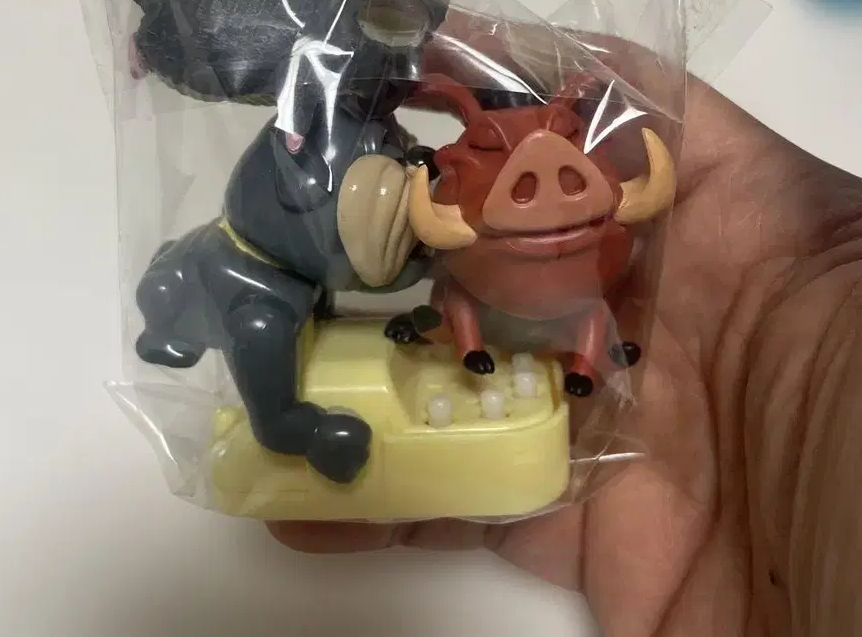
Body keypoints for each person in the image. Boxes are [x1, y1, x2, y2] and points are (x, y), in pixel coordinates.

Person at [270, 76, 862, 636]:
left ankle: (582, 364)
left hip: (577, 323)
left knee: (587, 318)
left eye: (570, 143)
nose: (544, 181)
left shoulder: (598, 252)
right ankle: (476, 349)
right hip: (490, 320)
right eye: (489, 149)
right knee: (464, 308)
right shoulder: (456, 249)